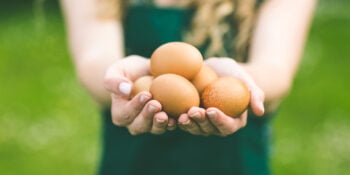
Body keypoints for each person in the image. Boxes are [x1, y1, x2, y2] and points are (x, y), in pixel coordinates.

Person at [61, 0, 316, 174]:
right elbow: (94, 60)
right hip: (134, 161)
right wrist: (121, 81)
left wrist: (239, 84)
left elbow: (275, 70)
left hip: (233, 163)